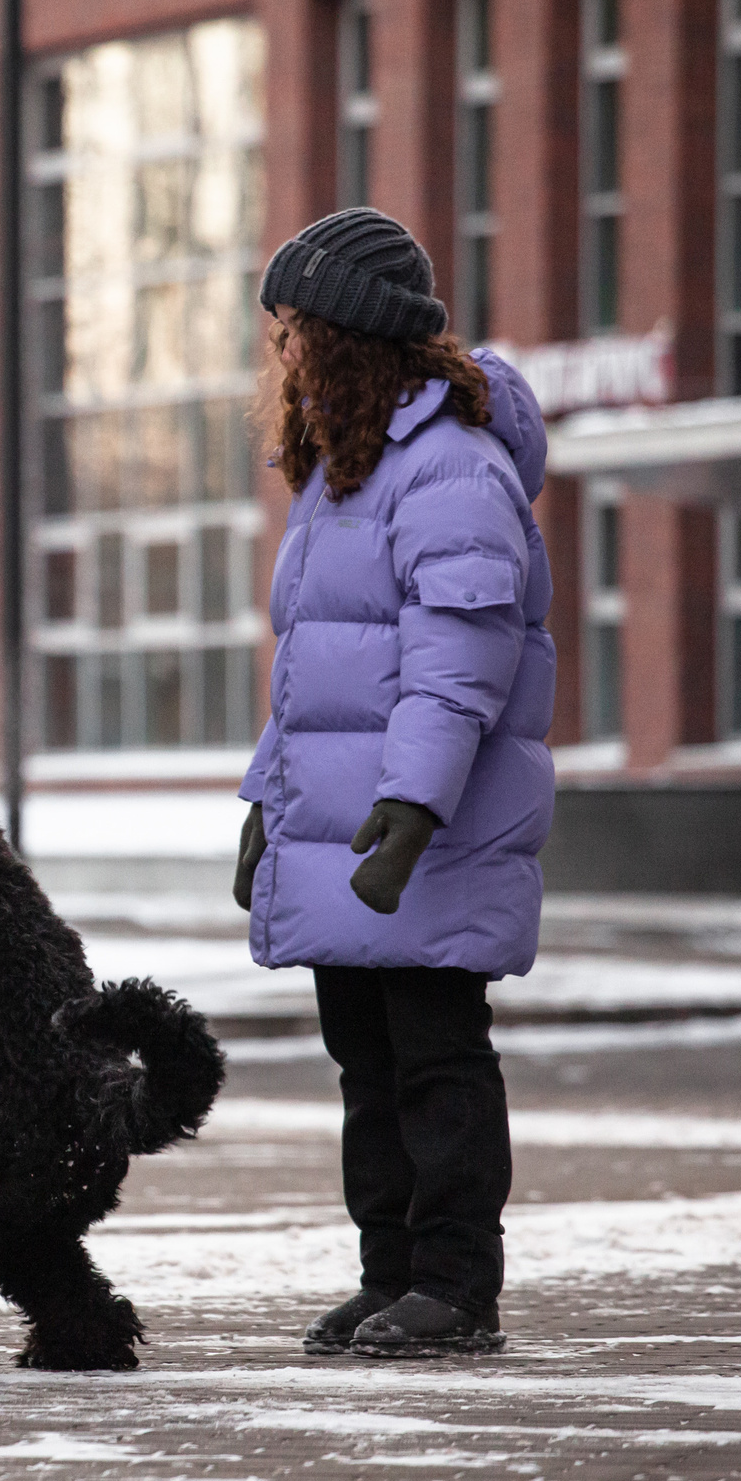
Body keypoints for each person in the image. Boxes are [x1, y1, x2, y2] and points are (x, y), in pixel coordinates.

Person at [231, 208, 555, 1358]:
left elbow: (461, 659)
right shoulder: (341, 477)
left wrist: (415, 807)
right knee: (366, 1069)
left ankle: (458, 1288)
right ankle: (391, 1277)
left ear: (354, 341)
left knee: (435, 1058)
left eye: (297, 332)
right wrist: (267, 809)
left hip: (426, 829)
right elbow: (311, 674)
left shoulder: (452, 472)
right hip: (341, 826)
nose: (283, 358)